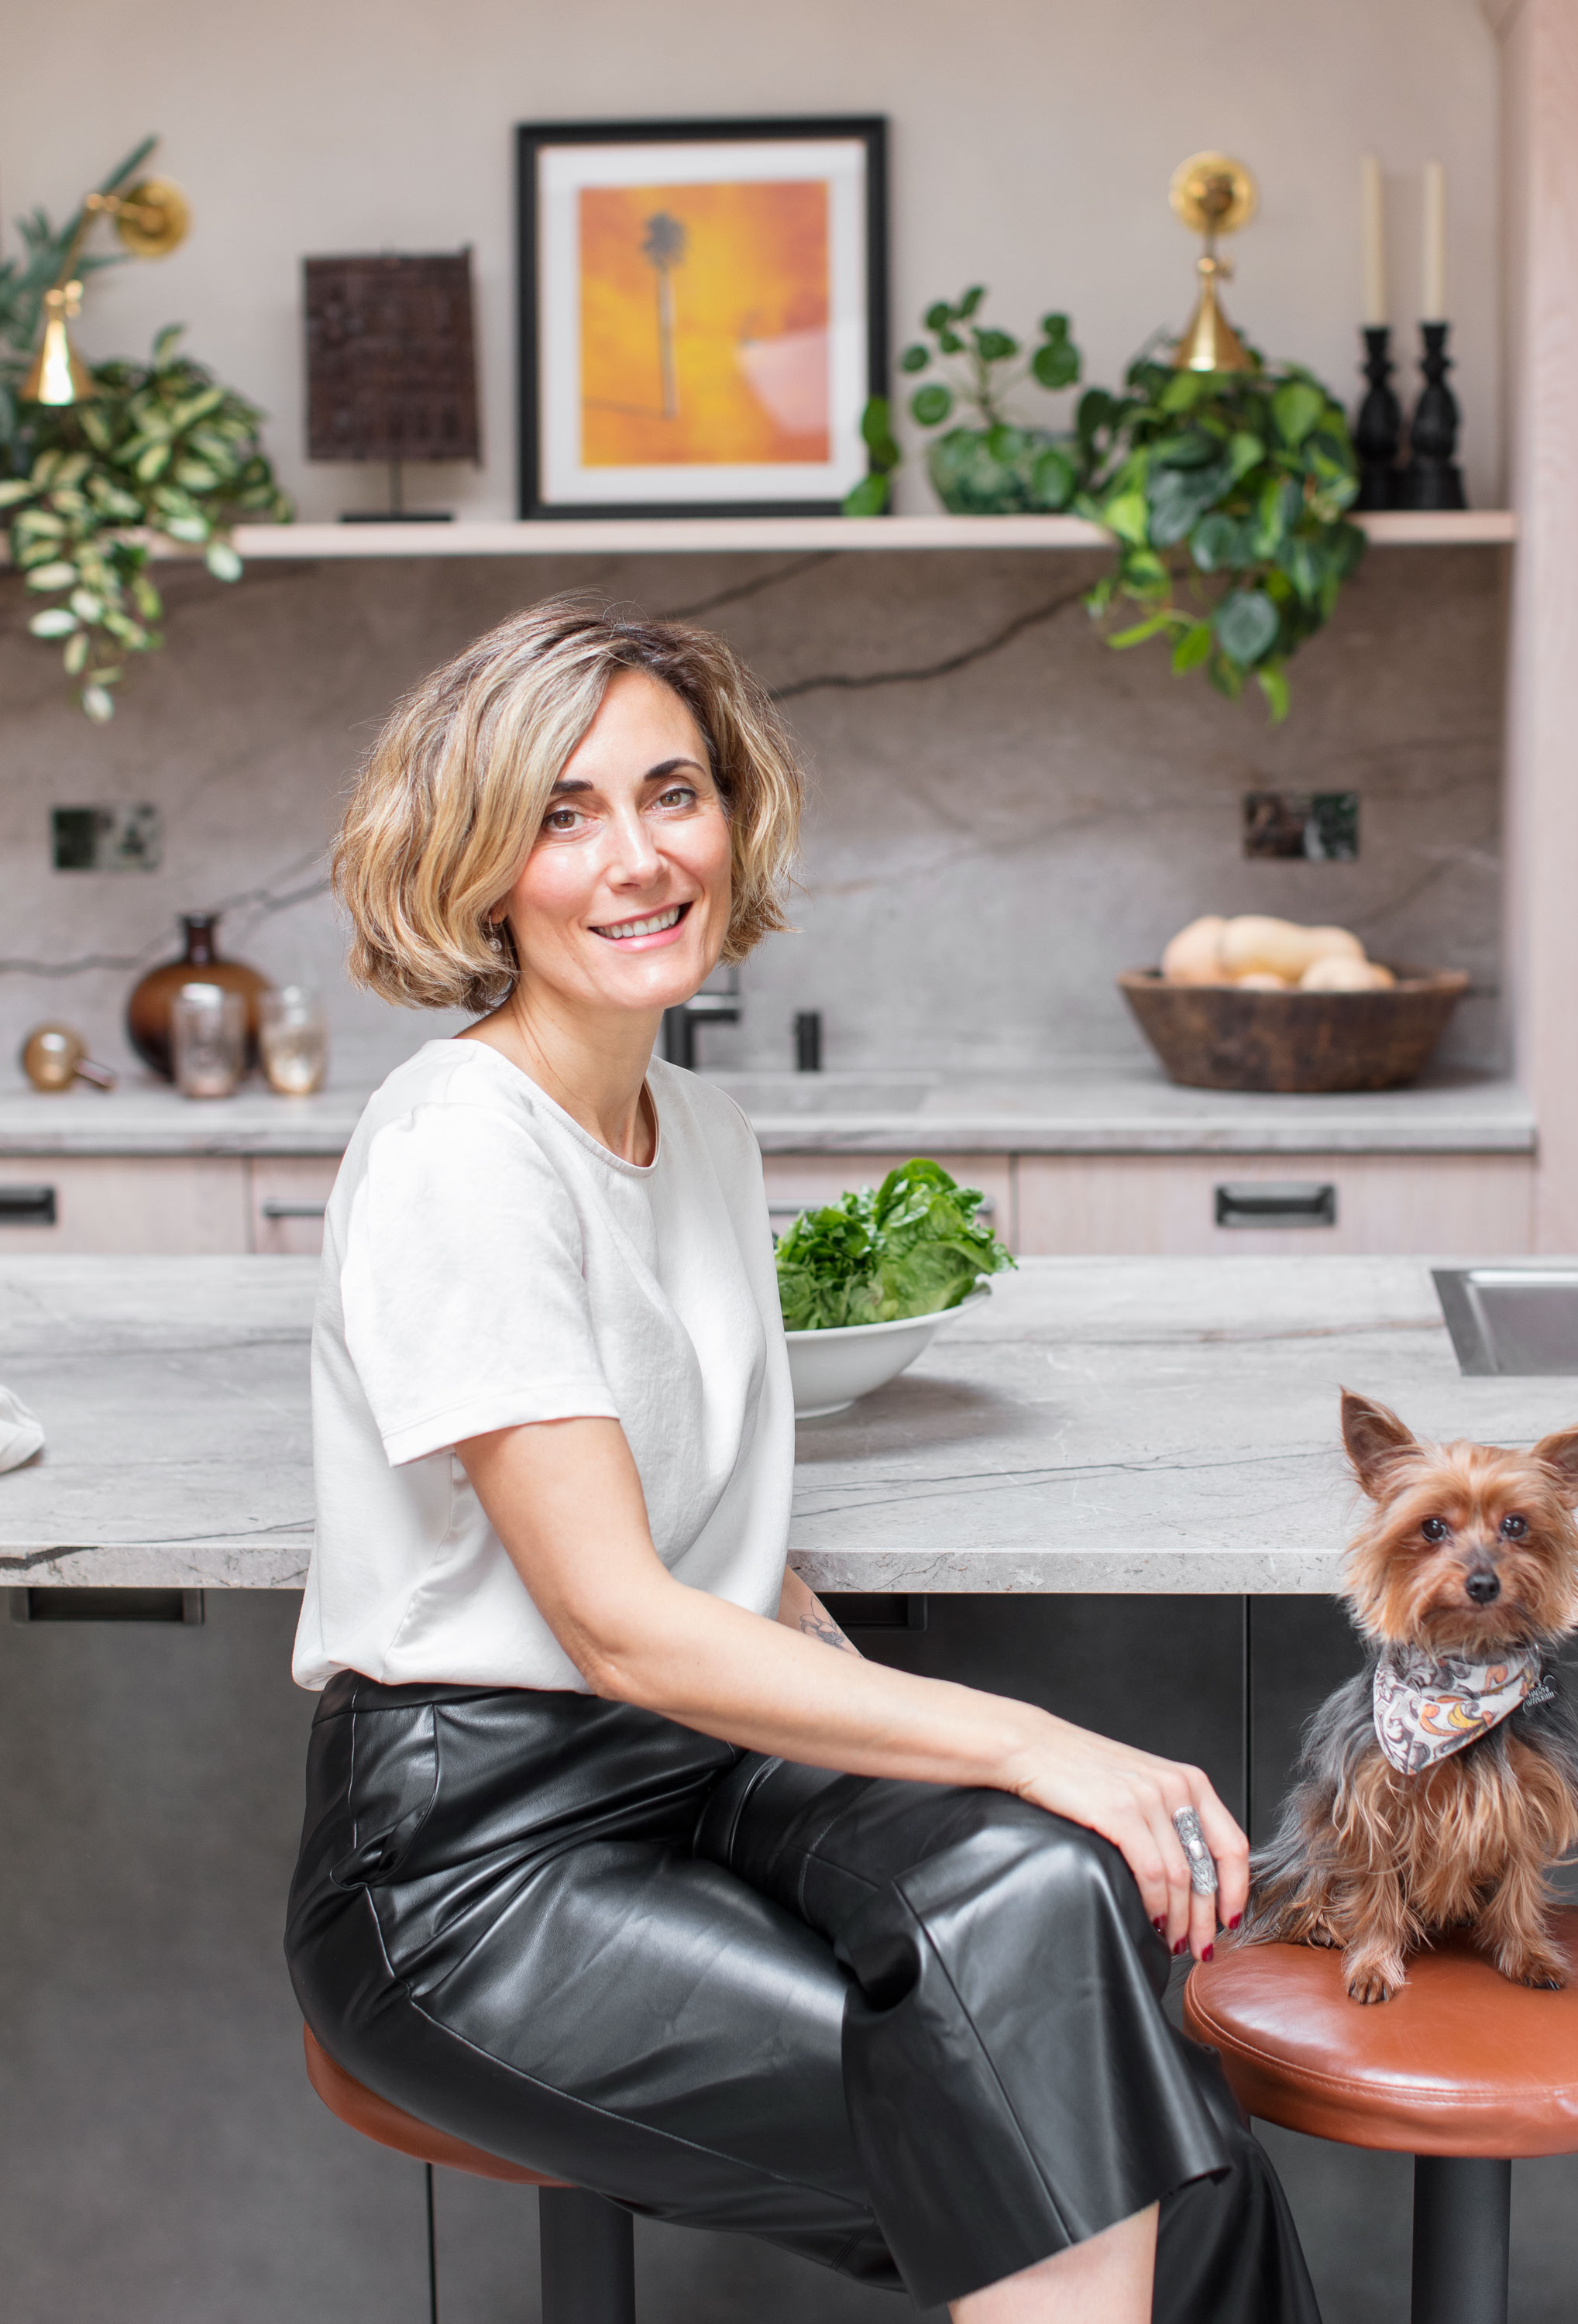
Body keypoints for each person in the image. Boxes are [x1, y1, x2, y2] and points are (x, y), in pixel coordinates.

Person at [285, 597, 1321, 2324]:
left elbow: (718, 1550)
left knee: (1041, 1886)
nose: (636, 856)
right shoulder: (458, 1149)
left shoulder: (696, 1126)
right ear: (477, 866)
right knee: (1147, 2165)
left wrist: (948, 1783)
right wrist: (1043, 1741)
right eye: (563, 812)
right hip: (475, 1873)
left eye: (670, 792)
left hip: (699, 1769)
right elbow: (618, 1624)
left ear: (734, 813)